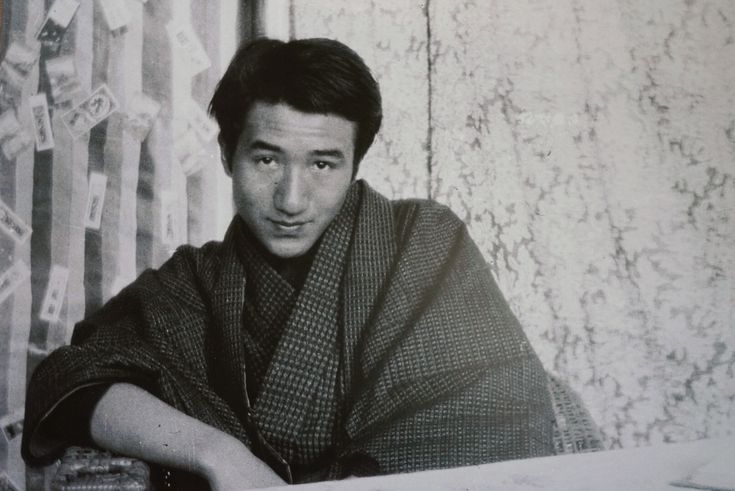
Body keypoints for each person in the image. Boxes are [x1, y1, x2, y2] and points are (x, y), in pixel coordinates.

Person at [22, 38, 554, 489]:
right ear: (227, 154)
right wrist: (220, 454)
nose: (292, 199)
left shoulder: (423, 242)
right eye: (267, 159)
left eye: (323, 164)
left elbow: (490, 416)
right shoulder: (194, 284)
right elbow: (69, 380)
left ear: (355, 164)